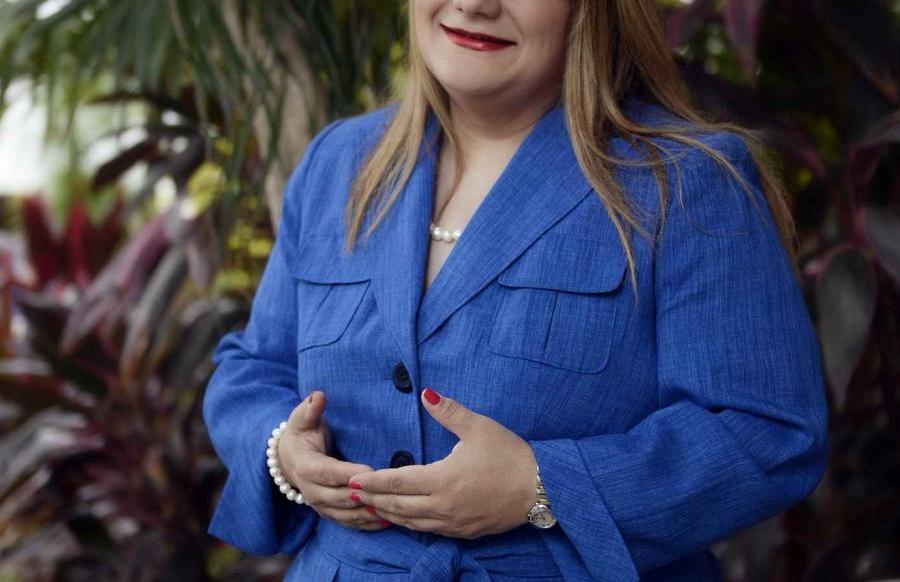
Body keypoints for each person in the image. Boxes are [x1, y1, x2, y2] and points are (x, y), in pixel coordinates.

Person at [202, 0, 830, 580]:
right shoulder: (337, 163)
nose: (475, 4)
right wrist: (285, 449)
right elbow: (253, 367)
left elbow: (769, 433)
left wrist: (543, 486)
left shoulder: (686, 182)